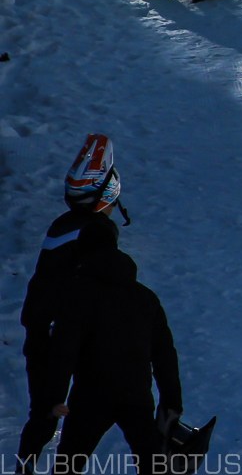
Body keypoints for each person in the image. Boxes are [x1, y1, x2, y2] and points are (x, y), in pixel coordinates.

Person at [13, 135, 128, 475]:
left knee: (44, 412)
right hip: (65, 336)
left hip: (43, 330)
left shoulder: (64, 225)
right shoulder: (98, 229)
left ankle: (25, 468)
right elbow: (104, 283)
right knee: (85, 407)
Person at [44, 239, 182, 475]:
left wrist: (54, 397)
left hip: (91, 395)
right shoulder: (146, 298)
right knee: (152, 466)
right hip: (136, 396)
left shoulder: (78, 293)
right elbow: (164, 355)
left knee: (68, 465)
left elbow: (64, 350)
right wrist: (172, 401)